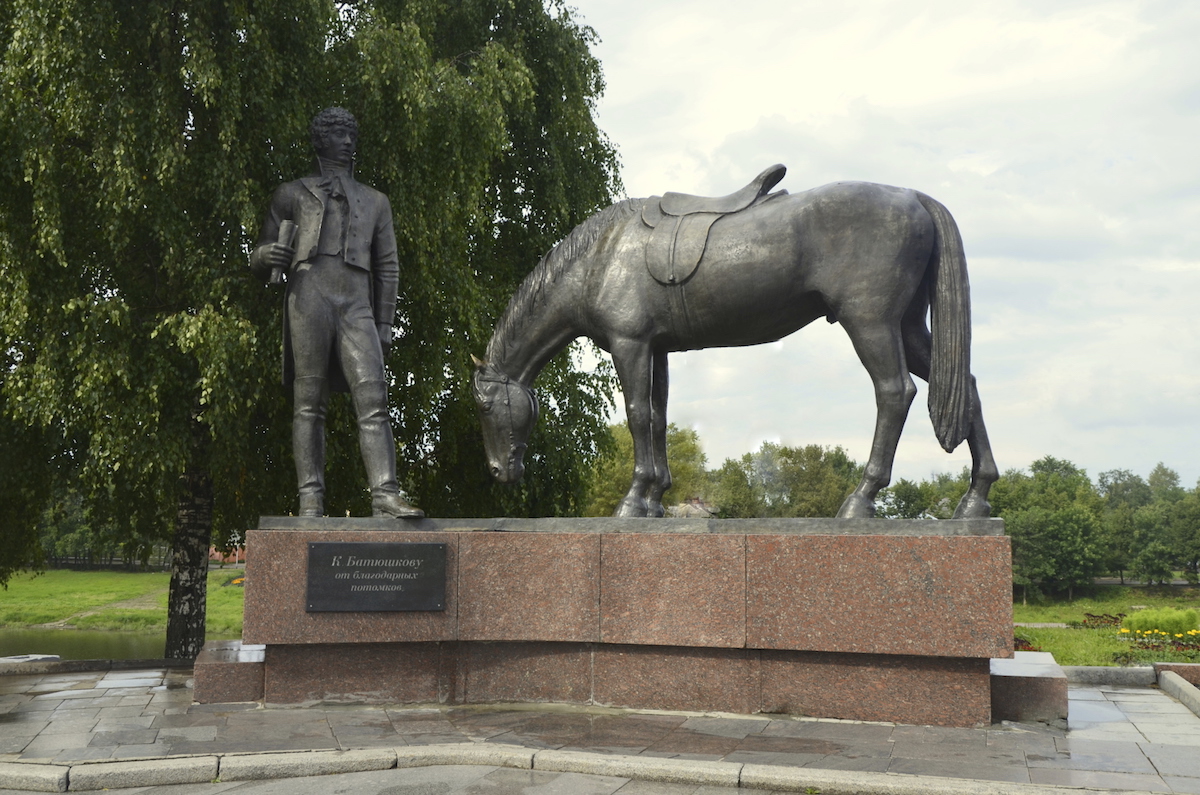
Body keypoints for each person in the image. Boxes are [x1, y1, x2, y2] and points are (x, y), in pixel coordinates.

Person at [250, 107, 422, 519]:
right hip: (308, 296)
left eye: (350, 134)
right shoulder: (290, 194)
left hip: (355, 302)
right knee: (308, 403)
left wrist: (384, 323)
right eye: (337, 133)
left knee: (374, 397)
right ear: (319, 140)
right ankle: (310, 498)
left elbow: (389, 267)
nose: (347, 141)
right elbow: (260, 251)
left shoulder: (376, 201)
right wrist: (265, 255)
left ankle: (385, 495)